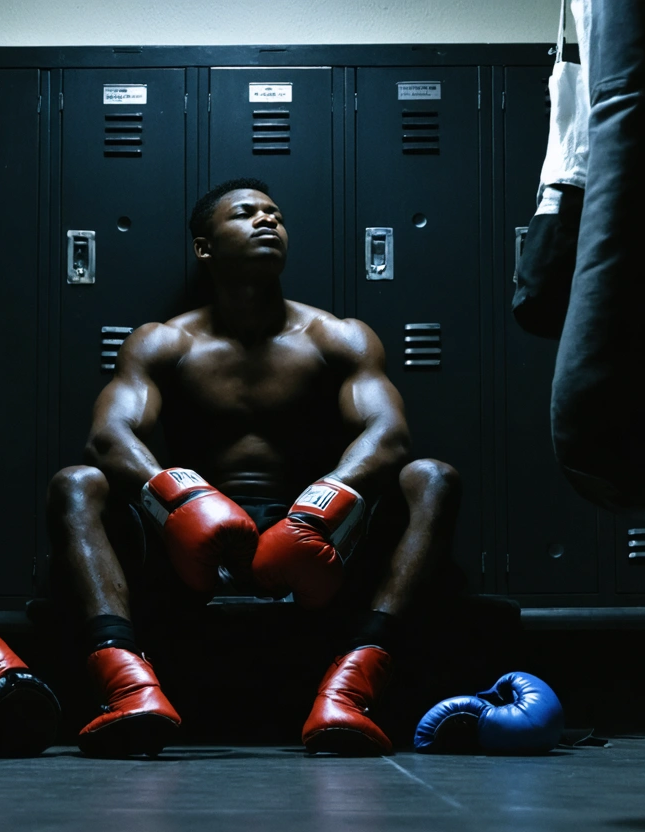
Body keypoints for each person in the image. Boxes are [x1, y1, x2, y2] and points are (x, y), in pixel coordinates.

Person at [48, 177, 461, 757]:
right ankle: (126, 689)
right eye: (246, 214)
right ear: (204, 247)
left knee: (433, 478)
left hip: (311, 532)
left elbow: (388, 434)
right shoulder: (164, 342)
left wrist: (321, 507)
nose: (268, 221)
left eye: (276, 214)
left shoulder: (336, 336)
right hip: (192, 537)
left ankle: (354, 685)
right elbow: (109, 437)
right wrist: (182, 500)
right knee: (76, 485)